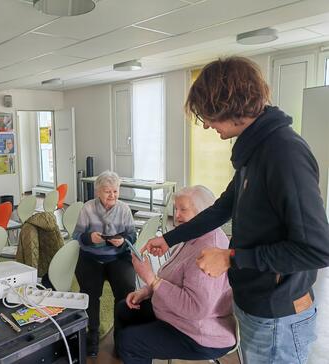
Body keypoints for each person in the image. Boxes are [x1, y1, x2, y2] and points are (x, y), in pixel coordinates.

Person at [143, 56, 329, 364]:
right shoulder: (253, 151)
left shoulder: (284, 154)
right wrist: (172, 238)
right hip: (255, 303)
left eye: (208, 115)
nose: (205, 124)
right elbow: (223, 208)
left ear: (230, 107)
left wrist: (232, 257)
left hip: (278, 315)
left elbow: (318, 250)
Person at [115, 186, 235, 363]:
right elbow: (173, 278)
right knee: (123, 308)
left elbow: (195, 309)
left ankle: (129, 351)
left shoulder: (208, 249)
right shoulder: (192, 236)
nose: (176, 216)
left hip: (199, 332)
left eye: (183, 210)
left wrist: (151, 279)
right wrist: (147, 291)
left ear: (204, 213)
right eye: (175, 209)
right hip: (174, 314)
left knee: (129, 341)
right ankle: (127, 353)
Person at [73, 170, 137, 357]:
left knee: (126, 292)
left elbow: (133, 235)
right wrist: (89, 237)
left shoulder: (124, 209)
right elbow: (76, 236)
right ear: (98, 192)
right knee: (90, 294)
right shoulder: (87, 208)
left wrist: (123, 240)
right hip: (91, 257)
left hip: (118, 256)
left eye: (115, 191)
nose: (112, 195)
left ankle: (121, 339)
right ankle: (92, 337)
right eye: (108, 191)